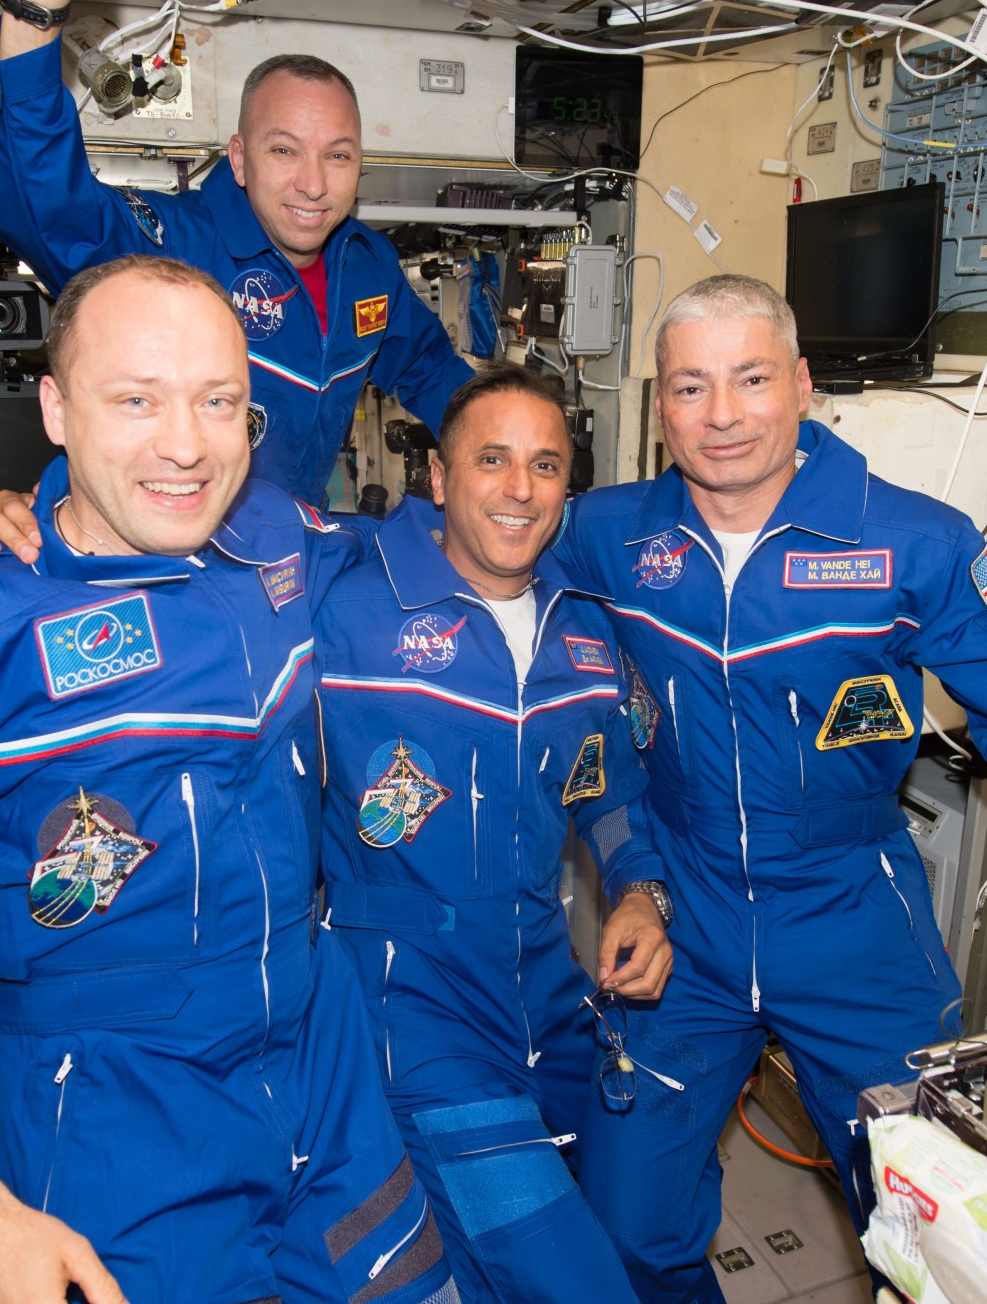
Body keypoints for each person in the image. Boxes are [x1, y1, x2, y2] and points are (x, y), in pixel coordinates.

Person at [0, 255, 457, 1304]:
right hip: (109, 1124)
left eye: (219, 403)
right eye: (134, 400)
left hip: (323, 1076)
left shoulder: (274, 544)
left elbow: (437, 550)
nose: (183, 443)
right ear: (55, 408)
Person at [550, 275, 987, 1303]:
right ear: (657, 403)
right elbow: (514, 618)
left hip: (853, 924)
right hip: (684, 924)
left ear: (801, 385)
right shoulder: (605, 534)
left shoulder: (913, 543)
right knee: (624, 1229)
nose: (719, 416)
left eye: (750, 379)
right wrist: (634, 871)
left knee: (935, 1226)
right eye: (688, 387)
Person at [314, 365, 667, 1304]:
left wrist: (640, 891)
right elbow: (171, 531)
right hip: (409, 999)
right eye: (493, 459)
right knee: (570, 1274)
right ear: (438, 475)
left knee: (624, 1223)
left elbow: (613, 791)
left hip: (550, 988)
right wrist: (42, 508)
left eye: (546, 464)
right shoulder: (339, 599)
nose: (520, 487)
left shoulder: (584, 630)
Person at [0, 0, 473, 505]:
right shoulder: (173, 253)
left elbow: (431, 370)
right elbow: (45, 209)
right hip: (169, 545)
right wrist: (34, 9)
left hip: (285, 548)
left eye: (337, 156)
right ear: (238, 158)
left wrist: (502, 452)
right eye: (284, 151)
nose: (313, 184)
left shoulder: (368, 266)